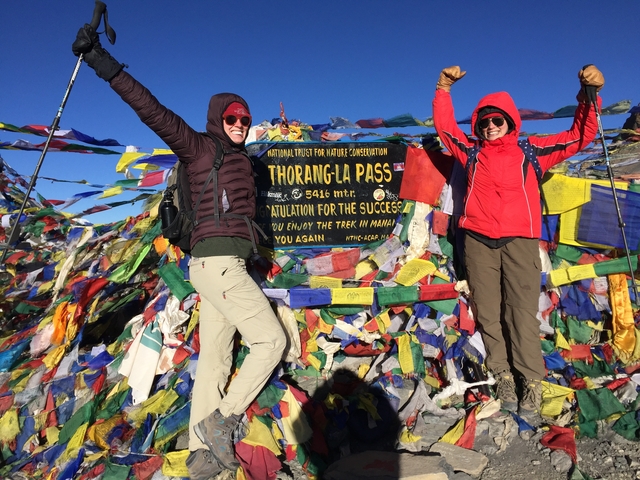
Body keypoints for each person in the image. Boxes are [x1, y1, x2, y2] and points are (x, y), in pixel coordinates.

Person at [72, 25, 286, 479]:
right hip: (216, 265)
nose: (240, 127)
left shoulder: (246, 162)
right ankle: (223, 421)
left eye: (245, 121)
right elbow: (151, 109)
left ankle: (199, 456)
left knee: (216, 358)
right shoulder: (199, 149)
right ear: (216, 120)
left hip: (228, 265)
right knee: (272, 341)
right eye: (232, 119)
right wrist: (101, 62)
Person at [432, 65, 604, 417]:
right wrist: (443, 88)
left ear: (510, 121)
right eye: (484, 122)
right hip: (478, 240)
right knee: (489, 311)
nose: (491, 126)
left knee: (522, 313)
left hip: (519, 241)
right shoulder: (471, 152)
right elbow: (446, 129)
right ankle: (503, 374)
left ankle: (532, 382)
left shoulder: (532, 150)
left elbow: (580, 136)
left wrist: (588, 94)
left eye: (497, 120)